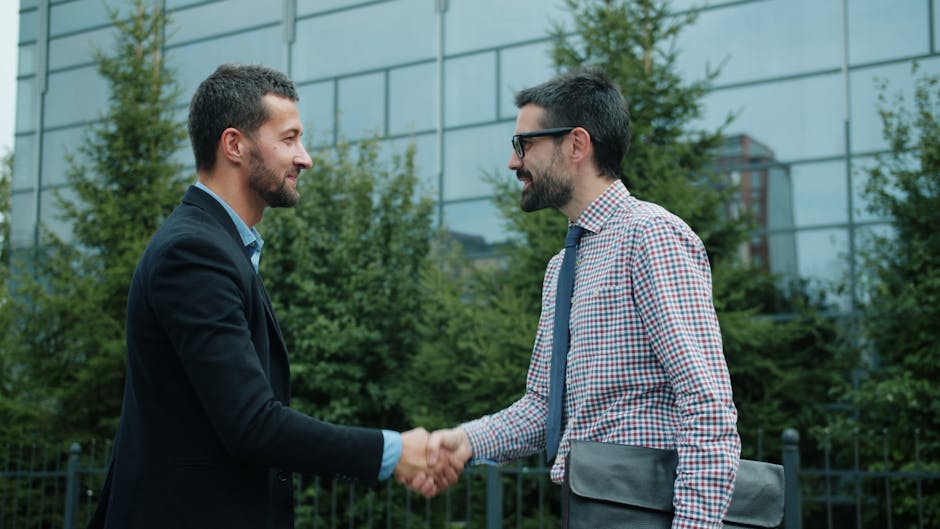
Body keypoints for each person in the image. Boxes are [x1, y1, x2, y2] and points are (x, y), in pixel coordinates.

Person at [87, 63, 459, 529]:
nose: (304, 158)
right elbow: (252, 424)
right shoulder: (195, 252)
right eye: (289, 139)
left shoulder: (218, 246)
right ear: (234, 145)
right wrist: (392, 451)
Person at [424, 67, 741, 527]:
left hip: (647, 512)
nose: (514, 162)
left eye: (524, 144)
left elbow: (706, 405)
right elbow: (543, 410)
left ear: (576, 145)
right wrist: (467, 441)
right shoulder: (562, 268)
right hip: (591, 507)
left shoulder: (650, 236)